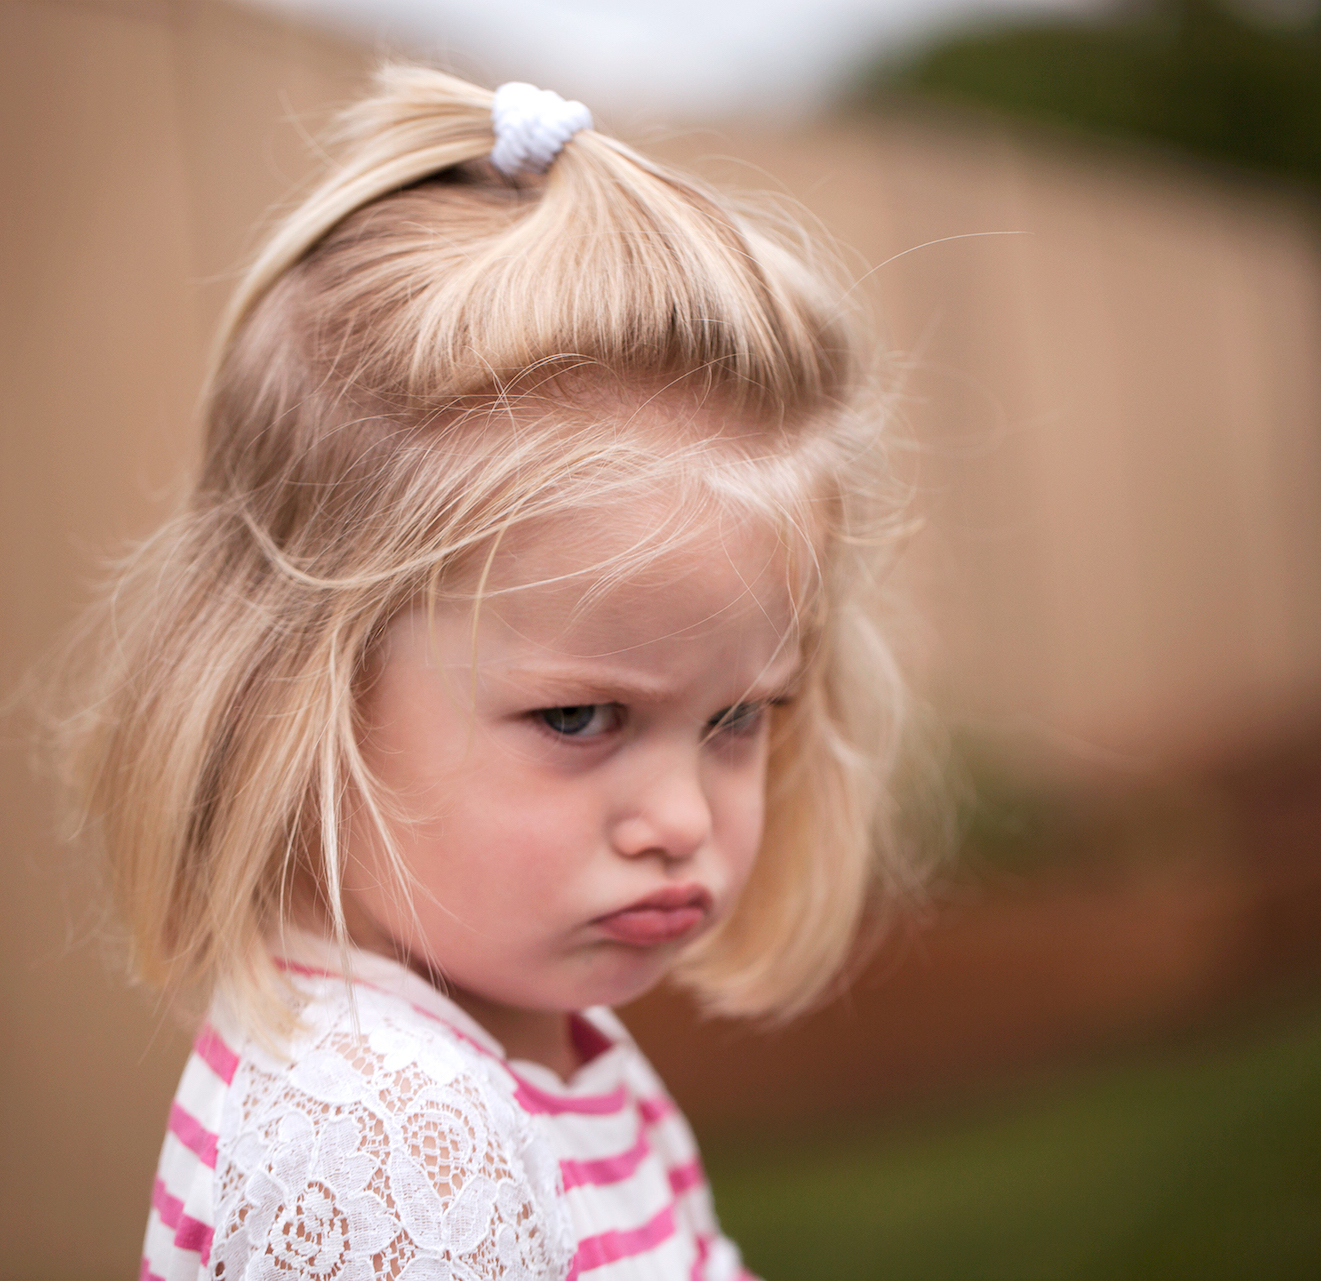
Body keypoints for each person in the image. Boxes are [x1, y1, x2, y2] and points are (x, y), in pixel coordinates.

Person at [56, 67, 913, 1281]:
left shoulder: (528, 1049)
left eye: (738, 716)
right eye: (579, 717)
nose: (680, 821)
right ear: (292, 694)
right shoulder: (395, 1148)